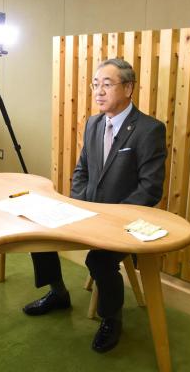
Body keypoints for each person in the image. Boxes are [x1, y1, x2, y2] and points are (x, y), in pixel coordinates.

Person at [22, 58, 167, 353]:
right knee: (38, 228)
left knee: (99, 260)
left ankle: (112, 318)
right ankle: (58, 292)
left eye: (107, 84)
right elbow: (82, 170)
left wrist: (110, 217)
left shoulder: (149, 130)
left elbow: (150, 188)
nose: (99, 91)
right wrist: (76, 205)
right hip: (88, 211)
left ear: (128, 88)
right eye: (95, 85)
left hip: (123, 220)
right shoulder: (93, 123)